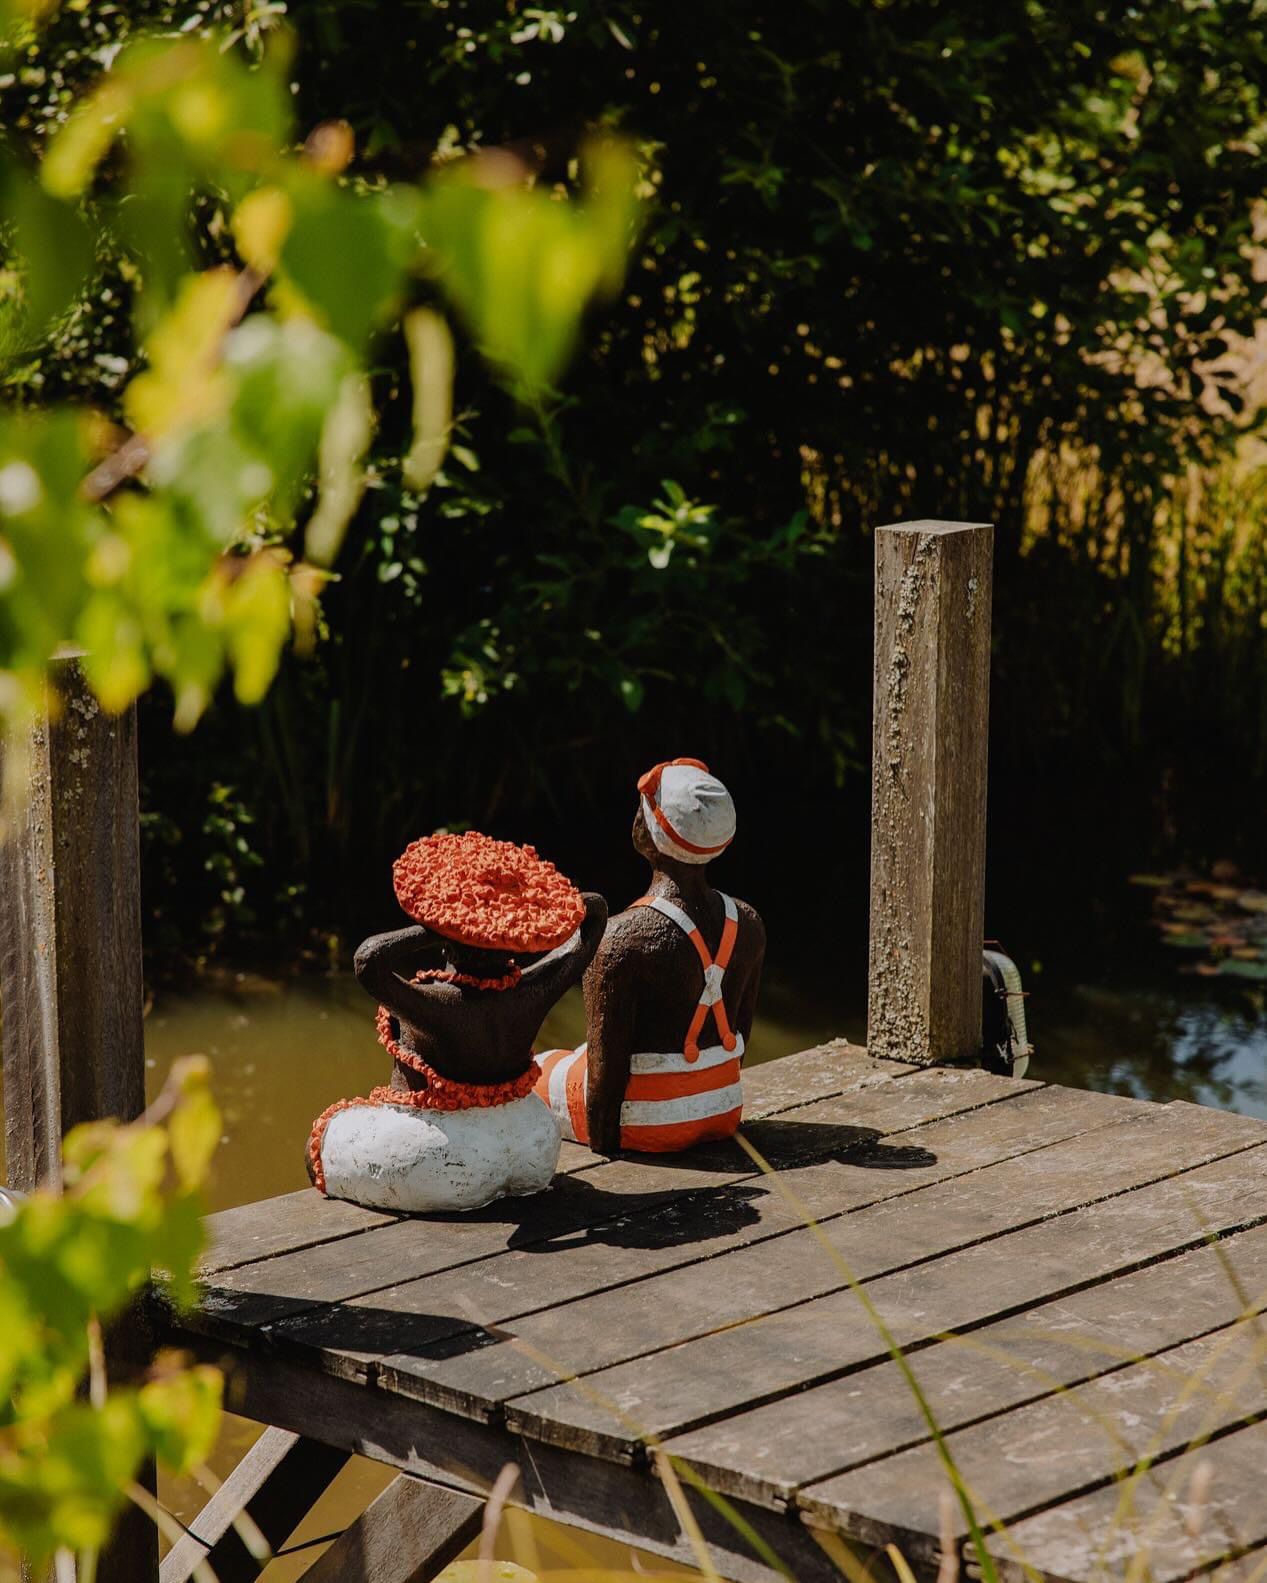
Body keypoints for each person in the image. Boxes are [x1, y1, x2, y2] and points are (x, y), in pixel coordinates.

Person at [308, 831, 607, 1211]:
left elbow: (368, 960)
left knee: (319, 1141)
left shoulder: (438, 1002)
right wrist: (548, 911)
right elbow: (595, 915)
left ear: (446, 938)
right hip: (533, 1144)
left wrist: (438, 926)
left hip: (445, 1156)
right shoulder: (530, 991)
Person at [536, 759, 765, 1154]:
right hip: (724, 1110)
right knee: (575, 1056)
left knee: (535, 1071)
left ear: (648, 834)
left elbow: (606, 1071)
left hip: (647, 1126)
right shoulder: (748, 922)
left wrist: (608, 1150)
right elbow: (740, 1032)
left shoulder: (621, 937)